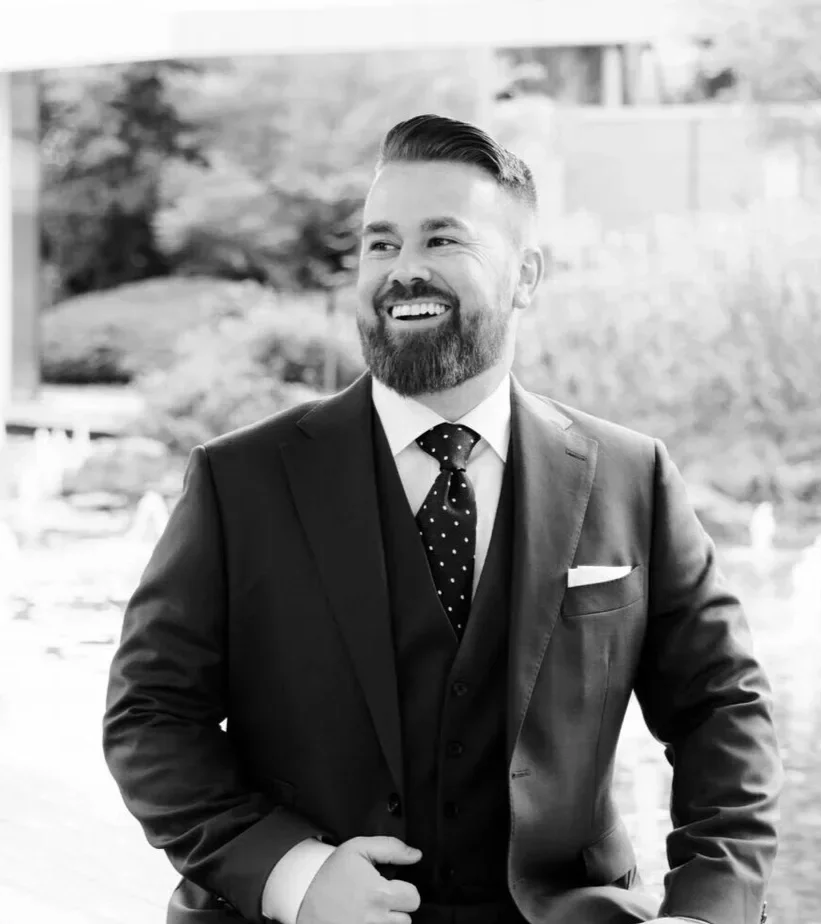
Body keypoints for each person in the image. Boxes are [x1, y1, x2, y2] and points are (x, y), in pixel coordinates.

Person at [103, 114, 782, 924]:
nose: (403, 271)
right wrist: (291, 873)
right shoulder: (239, 480)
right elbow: (151, 714)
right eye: (381, 245)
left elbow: (722, 706)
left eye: (442, 241)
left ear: (527, 274)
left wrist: (707, 906)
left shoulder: (631, 475)